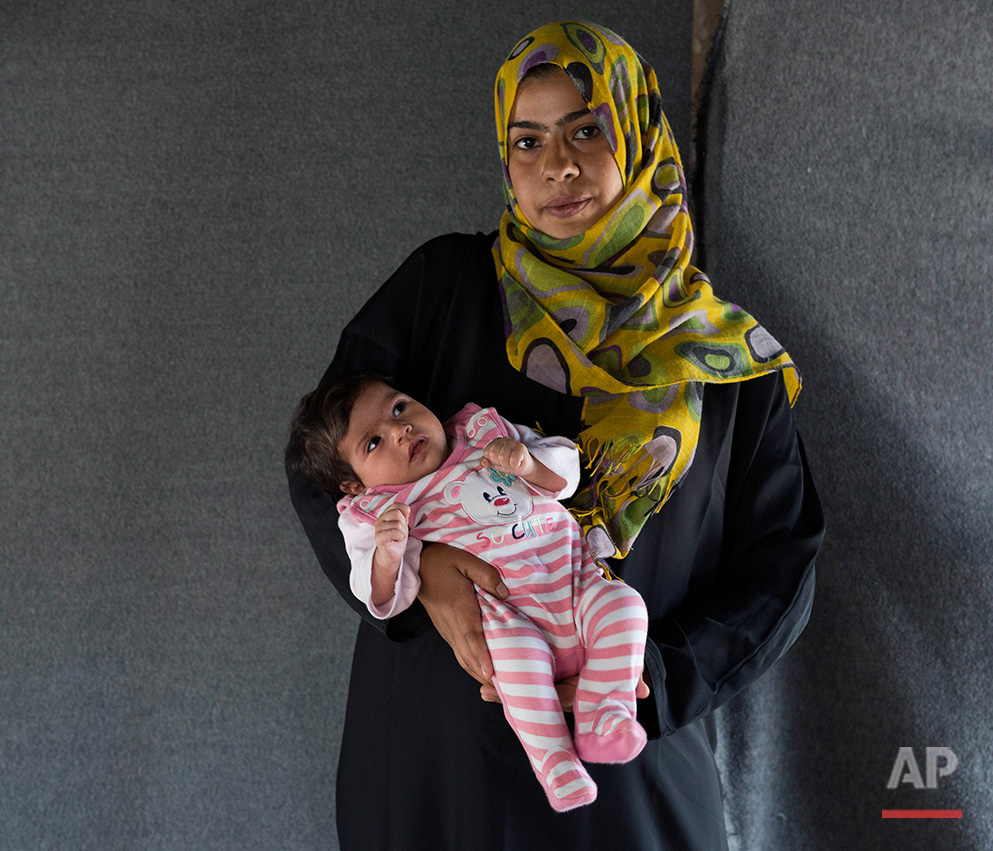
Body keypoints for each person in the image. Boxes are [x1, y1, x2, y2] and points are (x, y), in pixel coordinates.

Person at [287, 20, 825, 851]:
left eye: (586, 129)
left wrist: (654, 679)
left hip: (623, 781)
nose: (557, 166)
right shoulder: (445, 289)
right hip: (436, 772)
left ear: (639, 134)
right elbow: (322, 463)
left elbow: (781, 564)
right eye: (527, 141)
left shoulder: (725, 365)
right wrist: (421, 570)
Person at [286, 374, 651, 812]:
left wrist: (529, 463)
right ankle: (555, 762)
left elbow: (566, 472)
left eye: (399, 407)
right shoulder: (378, 513)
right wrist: (388, 554)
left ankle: (606, 715)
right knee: (515, 662)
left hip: (575, 585)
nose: (399, 429)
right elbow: (378, 596)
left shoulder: (482, 433)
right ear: (355, 486)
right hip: (511, 618)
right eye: (373, 443)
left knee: (625, 605)